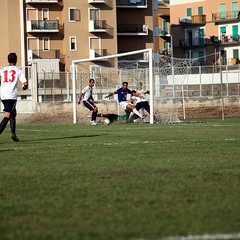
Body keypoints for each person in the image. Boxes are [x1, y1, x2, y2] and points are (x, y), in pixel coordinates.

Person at [0, 52, 28, 142]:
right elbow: (25, 83)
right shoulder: (18, 70)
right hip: (11, 95)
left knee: (13, 113)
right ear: (16, 60)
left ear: (8, 60)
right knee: (7, 115)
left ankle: (13, 134)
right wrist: (24, 87)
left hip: (3, 95)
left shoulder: (3, 69)